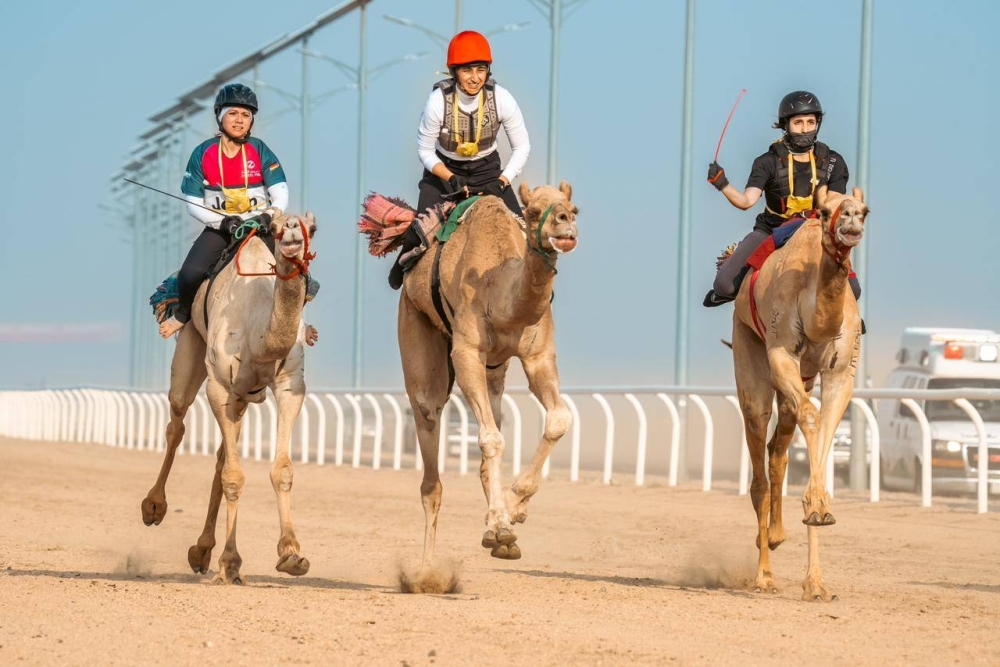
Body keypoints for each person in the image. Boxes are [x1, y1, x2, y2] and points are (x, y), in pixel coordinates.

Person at [387, 30, 531, 289]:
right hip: (444, 171)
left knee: (523, 234)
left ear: (488, 71)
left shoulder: (502, 98)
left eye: (480, 69)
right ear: (453, 72)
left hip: (489, 172)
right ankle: (403, 266)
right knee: (420, 231)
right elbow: (425, 151)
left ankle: (536, 287)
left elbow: (522, 147)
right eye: (466, 71)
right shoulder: (436, 102)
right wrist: (450, 177)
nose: (474, 78)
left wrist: (502, 181)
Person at [704, 90, 861, 307]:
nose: (805, 129)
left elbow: (831, 205)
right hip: (771, 229)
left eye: (810, 122)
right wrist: (722, 184)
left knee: (854, 291)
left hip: (815, 230)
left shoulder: (834, 161)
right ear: (785, 125)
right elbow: (746, 201)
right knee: (724, 286)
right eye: (798, 123)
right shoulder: (767, 161)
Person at [159, 83, 289, 338]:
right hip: (221, 228)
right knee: (190, 273)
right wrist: (223, 224)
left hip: (259, 226)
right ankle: (183, 313)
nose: (239, 120)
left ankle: (299, 326)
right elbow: (193, 203)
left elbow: (280, 192)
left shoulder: (260, 149)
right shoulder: (203, 153)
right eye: (233, 113)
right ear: (220, 116)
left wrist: (268, 215)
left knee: (295, 270)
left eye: (246, 115)